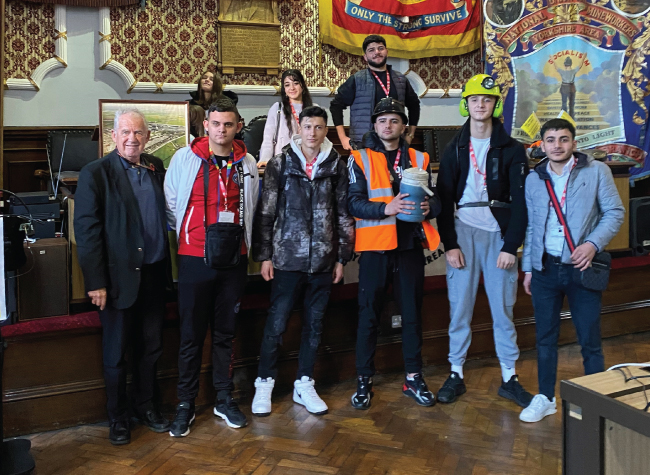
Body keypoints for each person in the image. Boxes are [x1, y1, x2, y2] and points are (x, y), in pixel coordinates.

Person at [251, 105, 355, 416]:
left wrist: (342, 257)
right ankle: (264, 383)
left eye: (319, 128)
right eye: (308, 127)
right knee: (277, 323)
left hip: (323, 260)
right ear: (300, 127)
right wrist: (265, 255)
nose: (312, 133)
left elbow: (343, 214)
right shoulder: (281, 163)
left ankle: (305, 383)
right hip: (286, 258)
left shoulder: (336, 164)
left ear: (326, 130)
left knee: (315, 325)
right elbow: (266, 211)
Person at [74, 109, 170, 445]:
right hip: (116, 281)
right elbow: (86, 233)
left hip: (156, 275)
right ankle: (118, 418)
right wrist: (95, 281)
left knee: (151, 349)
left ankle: (147, 407)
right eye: (125, 133)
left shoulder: (155, 166)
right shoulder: (95, 173)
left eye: (138, 133)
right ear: (113, 136)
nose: (132, 139)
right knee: (116, 354)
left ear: (147, 136)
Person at [164, 99, 259, 437]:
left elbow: (254, 205)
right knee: (190, 336)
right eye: (215, 124)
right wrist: (191, 235)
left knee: (225, 333)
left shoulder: (246, 162)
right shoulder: (185, 158)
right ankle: (185, 404)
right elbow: (172, 203)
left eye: (228, 124)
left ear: (238, 126)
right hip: (194, 257)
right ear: (206, 125)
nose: (221, 130)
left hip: (234, 258)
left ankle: (223, 397)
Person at [436, 74, 532, 407]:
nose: (481, 105)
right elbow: (443, 199)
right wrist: (450, 244)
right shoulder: (454, 147)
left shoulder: (512, 149)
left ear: (495, 105)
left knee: (503, 310)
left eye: (487, 99)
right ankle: (456, 372)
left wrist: (511, 246)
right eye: (475, 99)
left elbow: (522, 203)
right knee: (459, 307)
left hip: (498, 236)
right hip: (463, 233)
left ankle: (509, 376)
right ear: (466, 104)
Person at [519, 118, 624, 423]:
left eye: (563, 139)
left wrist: (592, 244)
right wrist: (528, 268)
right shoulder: (534, 178)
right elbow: (531, 226)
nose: (557, 145)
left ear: (574, 143)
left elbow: (615, 212)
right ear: (542, 144)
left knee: (589, 338)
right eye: (550, 140)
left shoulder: (597, 171)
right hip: (544, 269)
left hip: (582, 267)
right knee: (545, 338)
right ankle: (545, 398)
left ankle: (596, 402)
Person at [347, 97, 441, 409]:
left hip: (411, 247)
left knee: (413, 315)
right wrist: (386, 207)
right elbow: (352, 203)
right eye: (382, 120)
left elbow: (437, 199)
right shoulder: (359, 158)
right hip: (375, 249)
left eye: (394, 120)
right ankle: (363, 379)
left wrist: (431, 207)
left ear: (403, 126)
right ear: (374, 126)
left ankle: (413, 377)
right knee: (368, 315)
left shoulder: (420, 157)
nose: (388, 125)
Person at [330, 35, 421, 151]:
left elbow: (414, 105)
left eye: (380, 48)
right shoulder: (357, 79)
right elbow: (336, 105)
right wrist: (342, 137)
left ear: (386, 52)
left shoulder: (400, 79)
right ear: (365, 57)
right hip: (363, 143)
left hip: (395, 143)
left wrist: (410, 135)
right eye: (371, 50)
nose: (377, 52)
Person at [258, 69, 315, 167]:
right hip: (282, 162)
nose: (292, 88)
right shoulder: (278, 108)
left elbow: (320, 138)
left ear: (303, 86)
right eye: (287, 85)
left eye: (296, 83)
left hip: (308, 162)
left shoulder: (314, 109)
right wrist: (265, 159)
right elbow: (268, 138)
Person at [188, 70, 239, 137]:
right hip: (196, 139)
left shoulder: (225, 103)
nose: (207, 80)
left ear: (216, 85)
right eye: (204, 78)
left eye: (211, 79)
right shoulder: (191, 104)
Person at [553, 54, 586, 119]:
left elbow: (556, 67)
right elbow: (580, 65)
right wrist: (583, 58)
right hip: (571, 88)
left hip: (564, 88)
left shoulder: (562, 71)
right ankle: (571, 118)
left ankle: (563, 118)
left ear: (565, 65)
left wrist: (553, 60)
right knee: (571, 104)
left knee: (564, 103)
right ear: (570, 64)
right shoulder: (573, 71)